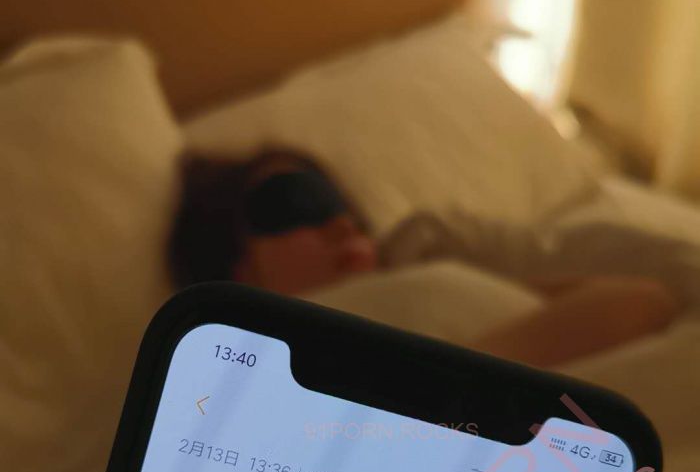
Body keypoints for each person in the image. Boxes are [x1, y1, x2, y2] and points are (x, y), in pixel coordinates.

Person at [169, 149, 680, 367]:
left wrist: (455, 384)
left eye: (343, 208)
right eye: (296, 205)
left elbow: (646, 299)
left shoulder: (431, 265)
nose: (342, 225)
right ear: (236, 264)